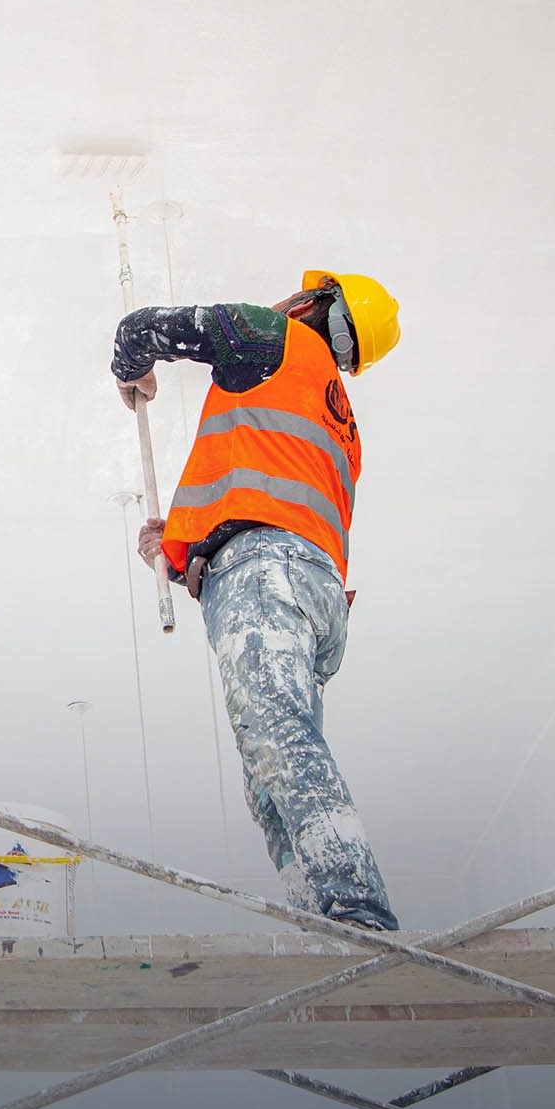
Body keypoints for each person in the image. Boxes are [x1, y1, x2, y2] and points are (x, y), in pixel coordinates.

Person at [111, 271, 401, 931]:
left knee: (278, 741)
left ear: (312, 304)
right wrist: (181, 544)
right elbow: (270, 496)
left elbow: (138, 330)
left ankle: (359, 913)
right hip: (308, 591)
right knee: (272, 779)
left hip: (267, 575)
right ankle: (324, 924)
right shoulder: (339, 418)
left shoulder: (275, 339)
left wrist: (135, 371)